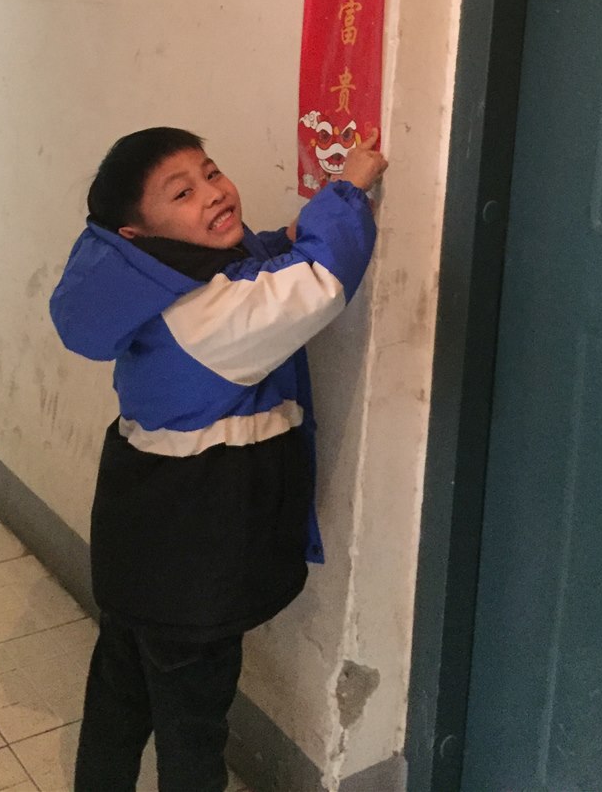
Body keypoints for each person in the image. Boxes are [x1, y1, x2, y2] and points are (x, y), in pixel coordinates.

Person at [49, 125, 387, 792]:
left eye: (209, 172)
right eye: (181, 192)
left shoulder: (146, 286)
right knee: (193, 729)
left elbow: (249, 271)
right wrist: (347, 190)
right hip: (192, 567)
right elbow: (316, 282)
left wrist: (282, 238)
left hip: (138, 548)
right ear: (137, 234)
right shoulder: (211, 317)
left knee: (120, 691)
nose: (213, 192)